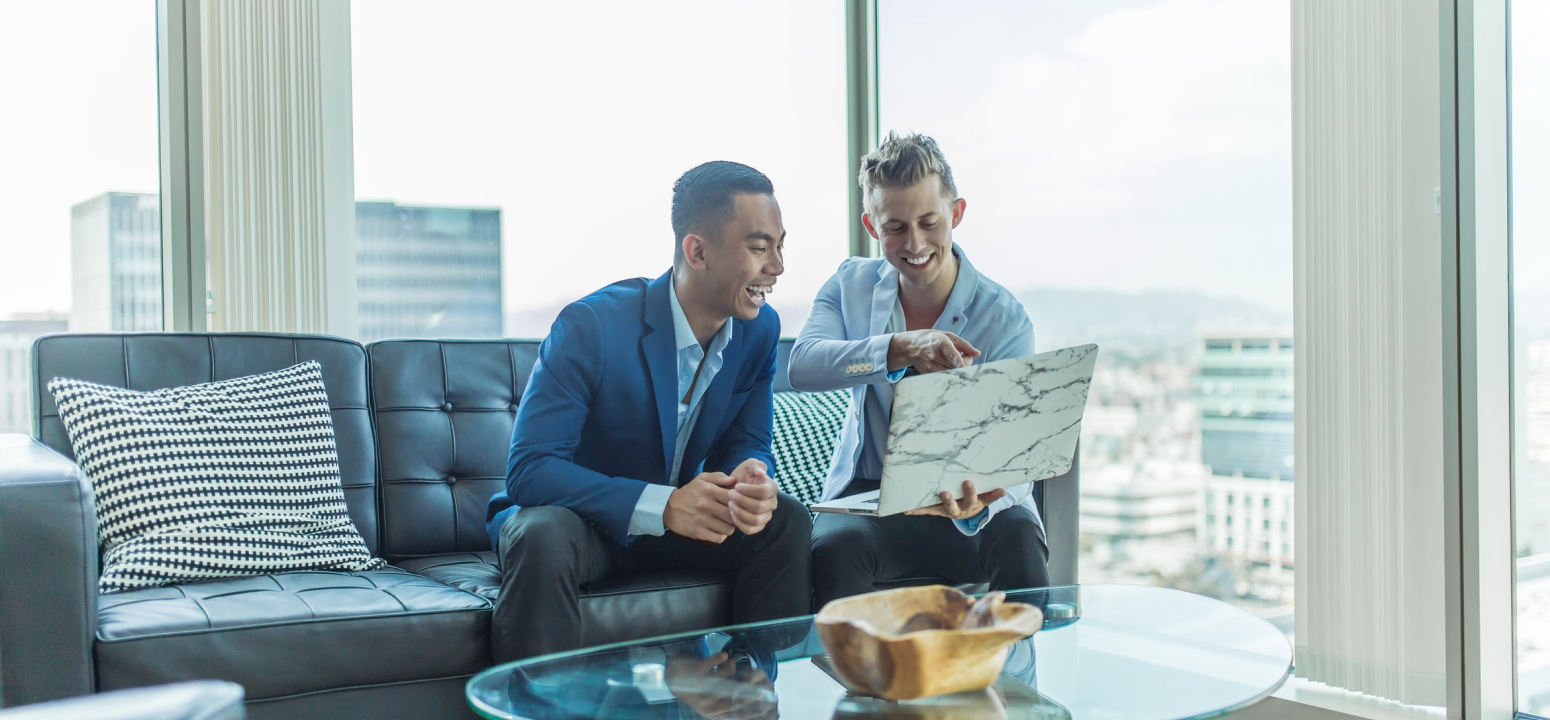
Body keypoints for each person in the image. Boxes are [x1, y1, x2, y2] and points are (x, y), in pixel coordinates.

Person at [486, 161, 812, 662]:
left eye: (779, 245)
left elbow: (747, 440)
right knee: (541, 534)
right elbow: (530, 471)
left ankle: (745, 696)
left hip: (676, 527)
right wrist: (662, 505)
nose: (778, 266)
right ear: (697, 251)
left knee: (783, 520)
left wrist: (752, 474)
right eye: (759, 246)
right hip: (584, 525)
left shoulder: (760, 330)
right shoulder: (590, 326)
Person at [788, 132, 1051, 607]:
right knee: (833, 549)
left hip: (971, 501)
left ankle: (1020, 680)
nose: (915, 243)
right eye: (895, 227)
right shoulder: (849, 286)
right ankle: (860, 682)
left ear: (957, 213)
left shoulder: (1004, 317)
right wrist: (898, 348)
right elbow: (803, 365)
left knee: (1020, 539)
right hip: (872, 498)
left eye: (929, 222)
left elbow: (1020, 452)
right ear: (871, 226)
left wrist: (982, 497)